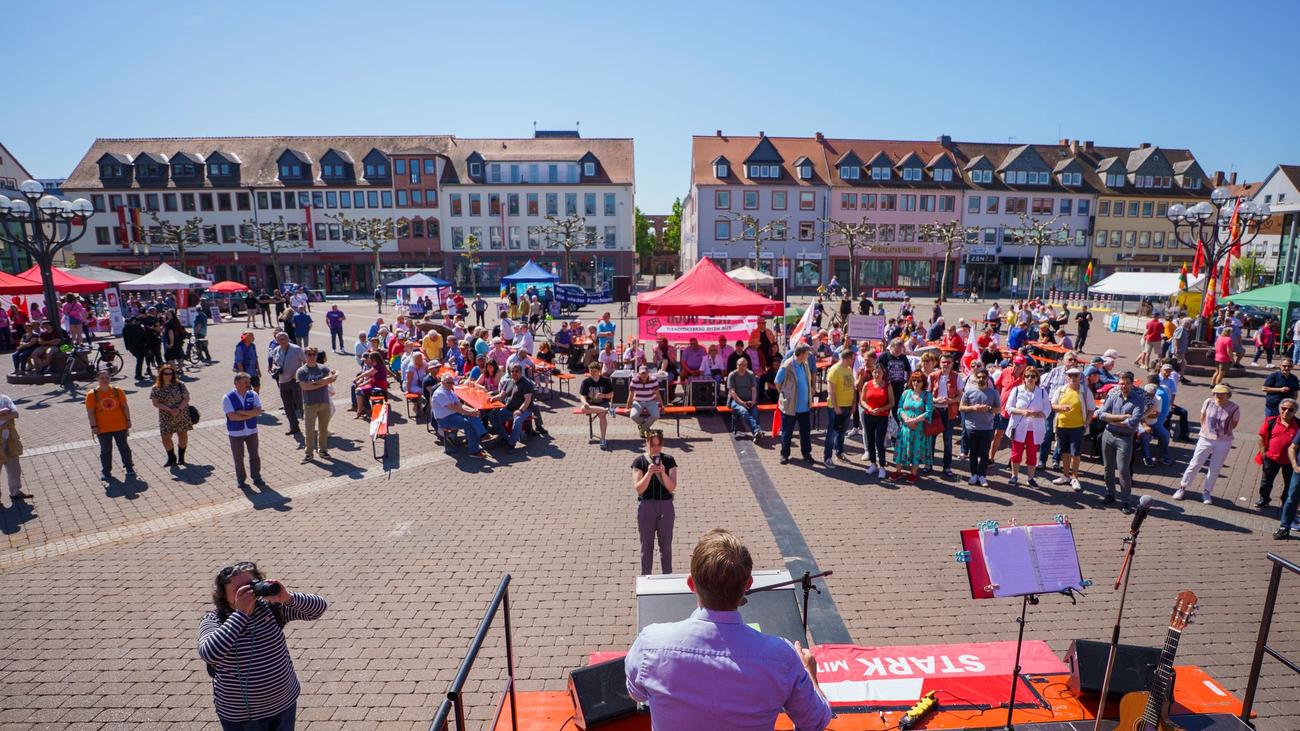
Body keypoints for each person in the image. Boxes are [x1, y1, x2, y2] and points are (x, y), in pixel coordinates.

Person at [625, 523, 826, 730]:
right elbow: (815, 722)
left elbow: (636, 694)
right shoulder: (782, 657)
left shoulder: (650, 644)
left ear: (691, 584)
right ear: (748, 584)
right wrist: (809, 673)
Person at [199, 561, 327, 730]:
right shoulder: (215, 621)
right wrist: (241, 614)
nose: (248, 592)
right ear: (224, 595)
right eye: (239, 590)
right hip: (242, 716)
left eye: (251, 585)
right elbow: (209, 653)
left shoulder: (270, 609)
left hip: (284, 704)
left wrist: (287, 597)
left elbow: (318, 608)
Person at [1176, 384, 1241, 504]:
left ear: (1228, 394)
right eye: (1216, 393)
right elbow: (1202, 418)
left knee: (1215, 468)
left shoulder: (1234, 407)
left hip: (1224, 441)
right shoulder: (1208, 402)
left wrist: (1221, 432)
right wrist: (1207, 431)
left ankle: (1206, 492)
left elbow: (1234, 424)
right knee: (1195, 463)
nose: (1218, 395)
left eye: (1222, 393)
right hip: (1205, 438)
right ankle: (1182, 487)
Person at [1096, 371, 1145, 513]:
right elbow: (1101, 415)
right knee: (1108, 467)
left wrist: (1112, 419)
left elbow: (1133, 422)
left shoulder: (1138, 400)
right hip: (1108, 435)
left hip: (1125, 439)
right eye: (1121, 383)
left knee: (1123, 470)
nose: (1123, 386)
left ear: (1132, 384)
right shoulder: (1113, 395)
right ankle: (1110, 493)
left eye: (1127, 383)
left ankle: (1126, 501)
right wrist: (1122, 417)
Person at [631, 431, 677, 575]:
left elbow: (672, 487)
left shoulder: (669, 460)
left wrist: (663, 472)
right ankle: (646, 577)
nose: (656, 448)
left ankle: (667, 577)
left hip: (665, 506)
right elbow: (639, 489)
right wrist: (649, 473)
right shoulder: (639, 462)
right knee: (646, 546)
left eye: (659, 444)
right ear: (647, 443)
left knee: (666, 546)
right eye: (653, 444)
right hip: (646, 507)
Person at [86, 369, 135, 483]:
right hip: (103, 428)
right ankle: (106, 471)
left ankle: (129, 467)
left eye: (107, 377)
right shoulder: (92, 394)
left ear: (110, 379)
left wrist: (128, 420)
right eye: (102, 378)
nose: (104, 380)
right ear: (97, 379)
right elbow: (90, 412)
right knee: (106, 450)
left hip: (120, 425)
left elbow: (124, 406)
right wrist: (94, 426)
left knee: (124, 447)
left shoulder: (118, 391)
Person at [1004, 366, 1048, 487]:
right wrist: (1022, 412)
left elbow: (1047, 408)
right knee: (1016, 453)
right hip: (1019, 426)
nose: (1029, 378)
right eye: (1027, 376)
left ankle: (1031, 478)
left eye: (1032, 376)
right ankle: (1014, 476)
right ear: (1023, 378)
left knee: (1032, 454)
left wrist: (1040, 414)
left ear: (1037, 378)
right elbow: (1008, 408)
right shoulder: (1017, 390)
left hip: (1034, 428)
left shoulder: (1042, 392)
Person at [223, 372, 266, 489]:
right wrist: (251, 414)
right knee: (238, 457)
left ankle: (256, 477)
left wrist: (242, 413)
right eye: (245, 382)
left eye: (248, 382)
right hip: (236, 433)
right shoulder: (227, 398)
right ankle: (241, 479)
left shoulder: (253, 394)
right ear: (236, 383)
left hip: (251, 431)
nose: (248, 384)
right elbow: (232, 416)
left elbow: (258, 410)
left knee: (254, 455)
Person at [430, 373, 488, 458]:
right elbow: (453, 407)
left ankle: (482, 435)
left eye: (452, 383)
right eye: (448, 382)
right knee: (470, 425)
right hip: (445, 420)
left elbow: (460, 405)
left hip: (453, 415)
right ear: (442, 382)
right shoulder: (440, 393)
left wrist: (472, 411)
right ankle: (474, 450)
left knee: (473, 417)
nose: (450, 384)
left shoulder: (449, 391)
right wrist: (471, 412)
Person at [775, 345, 815, 466]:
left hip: (804, 406)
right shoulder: (788, 365)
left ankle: (806, 454)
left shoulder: (805, 364)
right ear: (802, 354)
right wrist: (785, 394)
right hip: (790, 406)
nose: (808, 356)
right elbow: (777, 381)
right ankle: (784, 454)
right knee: (787, 432)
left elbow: (808, 380)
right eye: (807, 354)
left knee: (805, 432)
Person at [1257, 399, 1299, 509]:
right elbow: (1261, 436)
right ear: (1279, 409)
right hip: (1271, 458)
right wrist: (1263, 451)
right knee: (1266, 482)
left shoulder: (1298, 424)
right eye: (1283, 408)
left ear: (1295, 412)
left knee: (1289, 483)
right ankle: (1264, 499)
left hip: (1291, 461)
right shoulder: (1270, 421)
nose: (1286, 412)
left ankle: (1285, 501)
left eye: (1290, 410)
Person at [296, 347, 337, 463]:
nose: (312, 356)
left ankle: (323, 450)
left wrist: (313, 383)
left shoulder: (323, 368)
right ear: (305, 355)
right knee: (309, 431)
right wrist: (322, 382)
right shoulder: (301, 371)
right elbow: (304, 387)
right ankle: (309, 454)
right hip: (310, 404)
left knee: (323, 429)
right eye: (309, 354)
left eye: (314, 354)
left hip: (324, 402)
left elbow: (331, 379)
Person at [960, 367, 999, 487]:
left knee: (984, 453)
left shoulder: (993, 393)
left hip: (987, 427)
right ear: (976, 378)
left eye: (984, 377)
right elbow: (961, 407)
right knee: (973, 453)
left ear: (988, 378)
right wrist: (973, 408)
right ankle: (973, 475)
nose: (981, 379)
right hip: (971, 427)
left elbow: (998, 409)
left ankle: (982, 475)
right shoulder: (969, 391)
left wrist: (990, 409)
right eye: (979, 377)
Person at [893, 370, 933, 483]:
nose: (916, 382)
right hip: (905, 428)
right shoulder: (906, 393)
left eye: (919, 381)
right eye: (914, 380)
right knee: (901, 449)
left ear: (923, 382)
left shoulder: (927, 395)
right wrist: (906, 419)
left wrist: (914, 420)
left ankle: (913, 473)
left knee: (916, 449)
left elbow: (929, 412)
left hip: (918, 429)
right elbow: (900, 408)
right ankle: (898, 471)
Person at [150, 365, 193, 468]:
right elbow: (155, 403)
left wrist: (178, 409)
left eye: (171, 373)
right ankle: (171, 457)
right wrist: (169, 409)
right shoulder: (156, 388)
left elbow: (186, 399)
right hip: (166, 416)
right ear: (161, 375)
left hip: (181, 414)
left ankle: (181, 457)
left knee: (182, 435)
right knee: (165, 437)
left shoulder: (180, 384)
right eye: (166, 374)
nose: (168, 376)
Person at [929, 353, 962, 478]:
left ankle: (947, 466)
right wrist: (935, 400)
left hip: (949, 412)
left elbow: (960, 396)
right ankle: (929, 464)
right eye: (944, 362)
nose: (946, 364)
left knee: (947, 441)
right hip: (935, 411)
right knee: (930, 439)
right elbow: (927, 395)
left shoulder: (956, 377)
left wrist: (950, 401)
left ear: (952, 364)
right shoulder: (933, 376)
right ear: (939, 363)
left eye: (949, 362)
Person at [860, 362, 895, 478]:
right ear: (872, 373)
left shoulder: (887, 385)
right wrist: (869, 408)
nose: (877, 374)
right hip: (869, 415)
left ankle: (882, 466)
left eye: (879, 372)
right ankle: (873, 464)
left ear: (883, 373)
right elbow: (862, 400)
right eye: (875, 372)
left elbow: (892, 403)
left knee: (880, 442)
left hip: (882, 416)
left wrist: (881, 409)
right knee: (870, 440)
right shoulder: (867, 384)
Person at [823, 349, 856, 466]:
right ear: (847, 358)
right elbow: (830, 390)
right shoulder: (835, 369)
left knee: (842, 431)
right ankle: (827, 457)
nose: (853, 361)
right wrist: (836, 407)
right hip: (836, 407)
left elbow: (852, 388)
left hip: (847, 405)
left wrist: (853, 403)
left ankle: (839, 452)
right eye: (852, 358)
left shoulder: (848, 370)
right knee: (832, 432)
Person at [490, 363, 535, 450]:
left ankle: (511, 444)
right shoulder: (509, 382)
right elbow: (502, 395)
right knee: (493, 416)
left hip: (524, 410)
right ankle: (505, 438)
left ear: (521, 372)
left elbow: (527, 400)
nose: (514, 373)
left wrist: (520, 411)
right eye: (512, 371)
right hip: (509, 409)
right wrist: (492, 398)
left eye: (516, 371)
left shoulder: (527, 384)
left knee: (517, 420)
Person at [268, 332, 305, 437]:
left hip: (295, 381)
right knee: (287, 406)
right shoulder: (275, 350)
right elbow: (275, 363)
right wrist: (274, 368)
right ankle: (294, 427)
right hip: (282, 382)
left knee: (301, 404)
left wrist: (298, 374)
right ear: (277, 341)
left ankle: (309, 425)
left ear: (288, 339)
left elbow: (305, 362)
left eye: (284, 338)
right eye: (280, 339)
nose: (282, 341)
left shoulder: (297, 349)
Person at [578, 362, 615, 448]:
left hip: (603, 403)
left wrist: (603, 395)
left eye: (594, 371)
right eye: (591, 371)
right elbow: (582, 396)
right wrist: (585, 402)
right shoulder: (586, 382)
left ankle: (603, 439)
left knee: (602, 415)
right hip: (591, 404)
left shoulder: (606, 381)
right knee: (583, 408)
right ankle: (608, 410)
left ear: (599, 371)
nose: (592, 373)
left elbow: (611, 394)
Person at [726, 356, 762, 442]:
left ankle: (756, 435)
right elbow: (732, 392)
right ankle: (758, 430)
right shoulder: (732, 375)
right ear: (736, 365)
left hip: (749, 401)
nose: (742, 367)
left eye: (744, 365)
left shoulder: (750, 374)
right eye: (740, 365)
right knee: (744, 411)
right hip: (736, 401)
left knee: (755, 412)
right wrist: (742, 403)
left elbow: (754, 389)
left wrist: (753, 401)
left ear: (747, 365)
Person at [0, 393, 28, 504]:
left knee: (14, 468)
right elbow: (11, 414)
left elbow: (16, 414)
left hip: (10, 439)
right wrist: (6, 414)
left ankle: (15, 492)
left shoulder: (4, 398)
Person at [628, 365, 663, 437]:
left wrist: (662, 405)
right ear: (639, 374)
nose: (644, 375)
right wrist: (627, 407)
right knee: (633, 416)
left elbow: (658, 394)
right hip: (638, 401)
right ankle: (645, 426)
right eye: (642, 373)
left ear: (648, 373)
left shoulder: (653, 379)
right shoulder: (634, 380)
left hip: (651, 400)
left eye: (645, 373)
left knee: (656, 415)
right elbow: (631, 395)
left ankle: (642, 428)